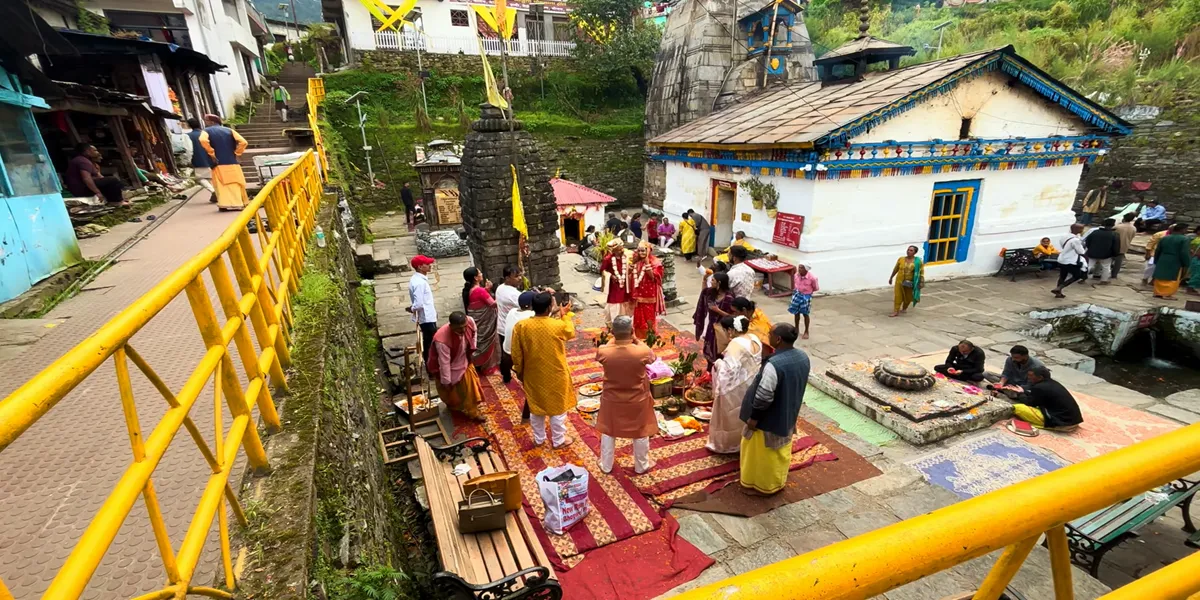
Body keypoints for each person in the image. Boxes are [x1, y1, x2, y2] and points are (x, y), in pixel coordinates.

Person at [739, 324, 809, 496]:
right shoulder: (802, 357)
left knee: (762, 453)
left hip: (767, 419)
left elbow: (764, 395)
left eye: (770, 334)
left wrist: (754, 418)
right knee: (780, 450)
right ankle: (777, 481)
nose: (767, 336)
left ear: (778, 340)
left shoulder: (774, 364)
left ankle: (761, 486)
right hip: (788, 412)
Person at [512, 292, 577, 448]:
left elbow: (516, 352)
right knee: (558, 408)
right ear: (550, 307)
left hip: (533, 372)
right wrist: (565, 316)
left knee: (536, 407)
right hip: (556, 371)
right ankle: (558, 440)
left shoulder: (521, 326)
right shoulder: (557, 325)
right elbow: (570, 332)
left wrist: (520, 371)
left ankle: (539, 439)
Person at [596, 316, 658, 474]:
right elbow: (652, 357)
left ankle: (606, 465)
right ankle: (641, 465)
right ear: (632, 331)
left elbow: (608, 345)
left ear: (612, 332)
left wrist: (615, 338)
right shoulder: (642, 351)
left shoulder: (604, 351)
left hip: (612, 398)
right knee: (640, 431)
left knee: (609, 430)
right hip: (637, 398)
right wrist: (635, 339)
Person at [709, 316, 762, 454]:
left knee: (731, 415)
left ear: (731, 330)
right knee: (744, 413)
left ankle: (729, 445)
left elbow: (729, 371)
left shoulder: (735, 344)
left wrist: (718, 364)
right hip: (752, 382)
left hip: (736, 387)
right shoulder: (754, 338)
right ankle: (744, 441)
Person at [427, 312, 485, 421]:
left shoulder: (470, 322)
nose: (463, 331)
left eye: (464, 327)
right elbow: (444, 363)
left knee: (470, 389)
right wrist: (446, 382)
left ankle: (473, 412)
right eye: (459, 329)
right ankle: (454, 405)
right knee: (448, 390)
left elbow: (474, 333)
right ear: (451, 326)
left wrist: (473, 347)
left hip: (464, 359)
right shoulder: (442, 339)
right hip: (450, 365)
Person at [199, 114, 250, 211]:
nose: (205, 122)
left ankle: (224, 204)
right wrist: (237, 153)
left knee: (221, 184)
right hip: (233, 162)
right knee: (236, 182)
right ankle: (240, 202)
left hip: (218, 163)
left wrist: (211, 153)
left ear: (212, 122)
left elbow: (202, 140)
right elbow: (243, 142)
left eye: (206, 120)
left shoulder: (206, 131)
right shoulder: (229, 130)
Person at [1010, 366, 1083, 430]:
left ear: (1040, 377)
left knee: (1018, 408)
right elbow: (1038, 396)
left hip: (1063, 423)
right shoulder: (1051, 383)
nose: (1028, 377)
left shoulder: (1040, 387)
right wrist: (1023, 391)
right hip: (1072, 420)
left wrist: (1020, 394)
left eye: (1030, 375)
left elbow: (1029, 403)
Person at [503, 291, 537, 419]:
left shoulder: (512, 312)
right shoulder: (531, 316)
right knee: (532, 385)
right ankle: (526, 415)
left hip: (507, 352)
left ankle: (506, 377)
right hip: (518, 356)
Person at [462, 267, 500, 375]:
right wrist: (501, 294)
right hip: (485, 322)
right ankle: (490, 367)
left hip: (478, 321)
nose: (482, 273)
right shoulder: (479, 291)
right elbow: (493, 304)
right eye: (479, 273)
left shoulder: (472, 290)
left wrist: (487, 289)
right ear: (475, 277)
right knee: (488, 341)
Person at [693, 272, 734, 366]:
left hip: (722, 329)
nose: (711, 282)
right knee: (709, 347)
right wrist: (704, 279)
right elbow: (704, 293)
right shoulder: (712, 293)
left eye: (713, 280)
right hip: (711, 327)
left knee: (719, 350)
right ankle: (710, 368)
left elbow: (732, 317)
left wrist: (718, 310)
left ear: (719, 283)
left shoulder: (729, 298)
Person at [407, 255, 438, 365]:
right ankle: (431, 367)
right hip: (426, 318)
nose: (430, 266)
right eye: (427, 264)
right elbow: (419, 304)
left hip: (428, 315)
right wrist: (412, 308)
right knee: (430, 343)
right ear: (420, 267)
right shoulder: (419, 283)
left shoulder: (419, 280)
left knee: (430, 341)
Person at [630, 241, 665, 338]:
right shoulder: (637, 260)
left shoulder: (655, 262)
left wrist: (646, 262)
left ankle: (649, 335)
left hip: (649, 294)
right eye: (639, 251)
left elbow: (653, 277)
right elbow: (630, 273)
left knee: (648, 315)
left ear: (648, 250)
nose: (641, 253)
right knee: (638, 315)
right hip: (638, 293)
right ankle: (638, 335)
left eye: (643, 251)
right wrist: (633, 263)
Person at [495, 266, 523, 383]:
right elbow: (527, 305)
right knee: (513, 353)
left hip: (502, 326)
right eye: (516, 277)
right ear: (507, 278)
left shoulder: (500, 288)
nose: (520, 279)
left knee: (505, 353)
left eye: (520, 275)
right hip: (511, 328)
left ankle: (505, 374)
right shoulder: (513, 295)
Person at [1152, 223, 1192, 300]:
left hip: (1163, 258)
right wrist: (1186, 262)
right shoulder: (1184, 239)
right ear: (1182, 230)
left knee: (1160, 275)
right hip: (1175, 260)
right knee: (1172, 277)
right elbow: (1184, 252)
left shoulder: (1165, 238)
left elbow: (1158, 250)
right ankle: (1166, 294)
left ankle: (1158, 292)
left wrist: (1156, 260)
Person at [600, 238, 632, 325]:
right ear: (614, 251)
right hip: (614, 287)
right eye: (620, 249)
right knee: (615, 305)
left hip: (625, 285)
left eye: (622, 248)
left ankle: (625, 324)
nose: (622, 250)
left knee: (625, 303)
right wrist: (611, 276)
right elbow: (603, 271)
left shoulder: (626, 257)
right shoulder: (608, 259)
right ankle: (615, 325)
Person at [1052, 224, 1087, 298]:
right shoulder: (1075, 240)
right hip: (1070, 260)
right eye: (1081, 229)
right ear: (1077, 230)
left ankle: (1058, 293)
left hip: (1062, 258)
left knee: (1062, 276)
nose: (1082, 230)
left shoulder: (1065, 236)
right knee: (1077, 275)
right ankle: (1059, 288)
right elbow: (1081, 252)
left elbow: (1063, 246)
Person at [888, 246, 925, 316]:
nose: (908, 251)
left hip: (910, 282)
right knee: (898, 296)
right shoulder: (901, 259)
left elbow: (921, 272)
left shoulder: (918, 262)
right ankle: (896, 311)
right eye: (908, 250)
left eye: (911, 250)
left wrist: (921, 281)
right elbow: (896, 269)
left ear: (915, 252)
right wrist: (891, 277)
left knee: (908, 296)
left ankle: (904, 308)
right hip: (899, 281)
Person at [1084, 218, 1121, 284]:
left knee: (1089, 266)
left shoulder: (1095, 232)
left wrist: (1090, 248)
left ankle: (1084, 278)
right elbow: (1116, 246)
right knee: (1106, 267)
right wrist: (1115, 254)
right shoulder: (1114, 234)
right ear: (1113, 225)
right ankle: (1104, 280)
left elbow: (1087, 242)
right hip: (1106, 255)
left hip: (1092, 253)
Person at [185, 118, 216, 196]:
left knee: (200, 178)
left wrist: (189, 160)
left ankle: (213, 191)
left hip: (197, 158)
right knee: (210, 178)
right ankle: (217, 193)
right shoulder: (206, 134)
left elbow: (188, 149)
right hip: (210, 157)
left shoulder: (188, 136)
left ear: (189, 125)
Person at [788, 263, 819, 339]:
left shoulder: (812, 278)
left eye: (802, 268)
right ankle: (796, 328)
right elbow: (795, 283)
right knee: (796, 313)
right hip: (797, 294)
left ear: (806, 269)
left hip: (806, 296)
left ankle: (806, 331)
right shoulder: (796, 275)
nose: (799, 269)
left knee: (805, 314)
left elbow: (816, 288)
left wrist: (807, 293)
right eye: (799, 267)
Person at [1114, 212, 1137, 278]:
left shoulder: (1117, 227)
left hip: (1114, 246)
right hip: (1124, 246)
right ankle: (1114, 274)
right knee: (1118, 262)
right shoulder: (1133, 228)